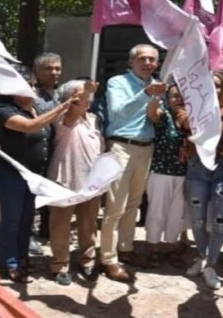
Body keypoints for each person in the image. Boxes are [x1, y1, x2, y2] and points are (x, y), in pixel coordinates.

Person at [0, 89, 78, 282]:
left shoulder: (36, 109)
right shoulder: (3, 110)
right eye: (23, 87)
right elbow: (30, 127)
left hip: (34, 176)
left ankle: (22, 257)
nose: (30, 90)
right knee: (11, 220)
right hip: (11, 175)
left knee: (26, 219)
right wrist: (63, 106)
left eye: (31, 86)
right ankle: (10, 263)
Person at [100, 43, 167, 282]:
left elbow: (158, 117)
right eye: (143, 59)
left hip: (146, 147)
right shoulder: (117, 83)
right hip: (121, 146)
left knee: (134, 203)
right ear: (131, 62)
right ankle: (108, 258)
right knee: (115, 206)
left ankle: (125, 248)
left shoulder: (159, 85)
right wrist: (146, 94)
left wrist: (157, 105)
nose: (148, 63)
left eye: (152, 60)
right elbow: (120, 112)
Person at [181, 73, 223, 289]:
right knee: (198, 219)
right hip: (197, 169)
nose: (214, 89)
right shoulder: (189, 112)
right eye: (208, 85)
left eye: (218, 85)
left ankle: (211, 264)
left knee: (221, 220)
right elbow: (183, 124)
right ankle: (202, 256)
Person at [47, 79, 103, 285]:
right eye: (81, 95)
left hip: (91, 182)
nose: (88, 98)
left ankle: (87, 261)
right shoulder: (62, 116)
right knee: (60, 225)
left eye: (89, 95)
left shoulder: (95, 118)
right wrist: (84, 93)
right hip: (65, 179)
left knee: (89, 226)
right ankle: (60, 264)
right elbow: (72, 115)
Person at [144, 84, 189, 269]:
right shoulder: (164, 115)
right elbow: (151, 113)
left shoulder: (193, 119)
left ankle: (171, 248)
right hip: (161, 171)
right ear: (167, 99)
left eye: (182, 96)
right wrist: (156, 97)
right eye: (173, 96)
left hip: (184, 173)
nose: (178, 99)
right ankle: (153, 249)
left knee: (176, 214)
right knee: (157, 212)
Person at [29, 52, 63, 251]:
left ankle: (47, 229)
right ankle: (29, 234)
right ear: (36, 71)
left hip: (57, 150)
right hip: (34, 150)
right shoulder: (31, 95)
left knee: (52, 191)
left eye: (57, 68)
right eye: (48, 68)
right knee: (33, 194)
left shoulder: (63, 93)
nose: (54, 72)